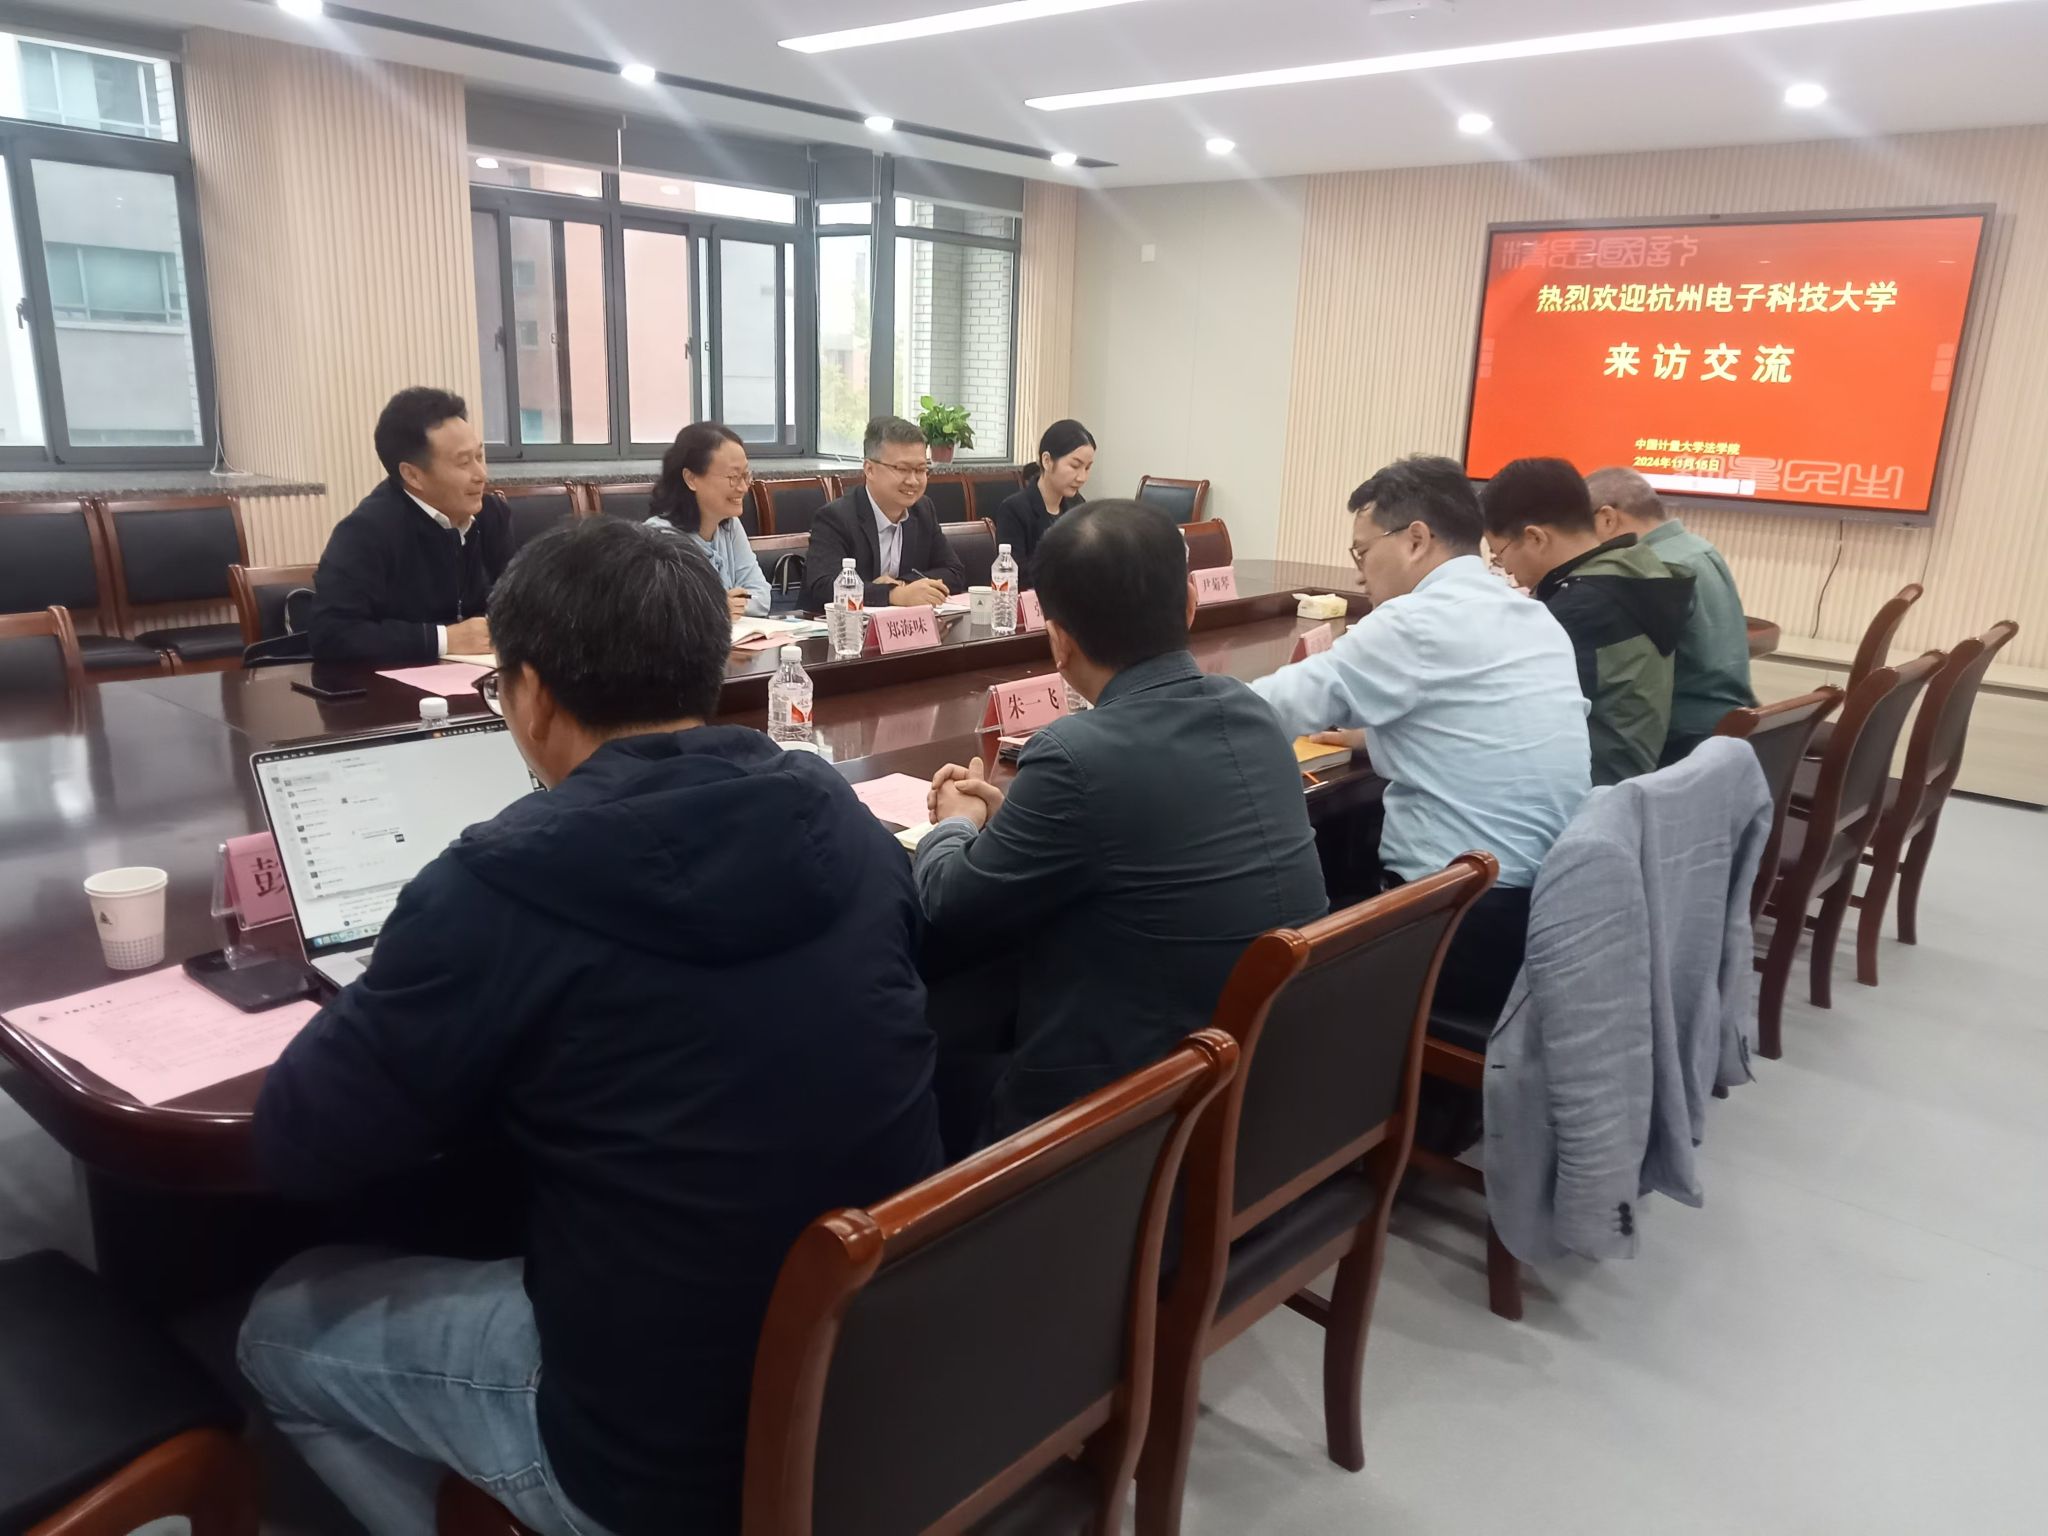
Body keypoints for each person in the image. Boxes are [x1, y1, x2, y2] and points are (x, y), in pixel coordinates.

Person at [238, 520, 942, 1536]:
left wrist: (400, 973)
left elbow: (301, 1143)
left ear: (528, 696)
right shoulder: (842, 818)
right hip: (879, 1375)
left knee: (278, 1324)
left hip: (656, 1462)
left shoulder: (496, 883)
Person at [914, 500, 1326, 1150]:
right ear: (1190, 603)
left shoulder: (1075, 754)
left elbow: (949, 904)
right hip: (1267, 1087)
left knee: (917, 1059)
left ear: (1058, 640)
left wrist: (956, 824)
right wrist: (1014, 823)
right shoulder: (1251, 712)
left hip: (1132, 1124)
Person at [1250, 455, 1590, 1018]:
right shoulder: (1531, 615)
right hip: (1544, 914)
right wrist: (1372, 735)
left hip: (1457, 928)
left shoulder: (1417, 621)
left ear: (1415, 539)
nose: (1359, 575)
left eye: (1362, 552)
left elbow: (1264, 711)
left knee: (1267, 945)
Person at [1481, 456, 1695, 787]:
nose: (1505, 568)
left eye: (1500, 553)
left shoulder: (1580, 609)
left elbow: (1502, 710)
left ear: (1536, 538)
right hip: (1630, 774)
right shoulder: (1636, 570)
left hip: (1587, 789)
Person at [309, 386, 513, 663]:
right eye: (464, 462)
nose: (481, 474)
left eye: (479, 456)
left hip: (478, 675)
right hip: (389, 683)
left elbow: (516, 603)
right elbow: (331, 634)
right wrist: (444, 639)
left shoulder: (491, 515)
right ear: (413, 475)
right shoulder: (365, 532)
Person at [1587, 466, 1756, 762]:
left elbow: (1620, 683)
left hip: (1678, 742)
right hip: (1723, 728)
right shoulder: (1699, 548)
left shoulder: (1650, 568)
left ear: (1607, 519)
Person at [802, 415, 966, 611]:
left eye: (921, 470)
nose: (913, 481)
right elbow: (824, 587)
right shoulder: (835, 518)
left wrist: (902, 586)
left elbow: (954, 573)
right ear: (869, 469)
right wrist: (892, 595)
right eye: (902, 469)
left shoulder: (923, 510)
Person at [643, 421, 771, 618]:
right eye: (733, 476)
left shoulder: (729, 525)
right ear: (691, 478)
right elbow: (662, 614)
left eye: (745, 475)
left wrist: (728, 606)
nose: (743, 488)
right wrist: (715, 607)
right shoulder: (658, 538)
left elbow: (761, 597)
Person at [991, 418, 1096, 589]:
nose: (1082, 477)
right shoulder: (1014, 509)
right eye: (1075, 466)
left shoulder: (1078, 505)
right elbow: (1017, 574)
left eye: (1087, 468)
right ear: (1047, 461)